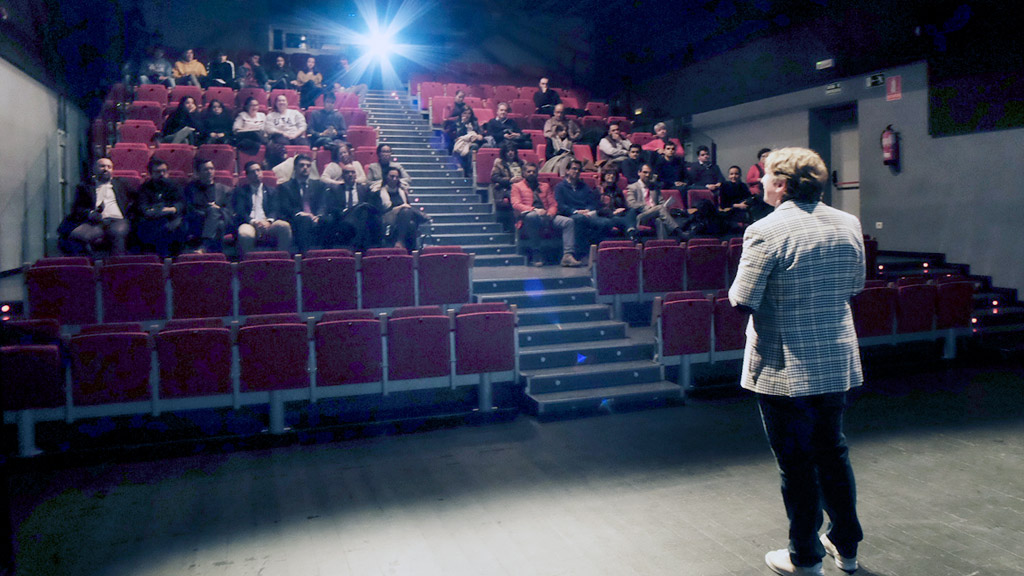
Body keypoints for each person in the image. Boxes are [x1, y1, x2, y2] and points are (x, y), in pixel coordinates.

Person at [728, 147, 865, 576]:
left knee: (797, 463)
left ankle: (804, 556)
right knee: (833, 452)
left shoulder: (766, 229)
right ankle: (847, 546)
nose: (762, 182)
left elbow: (742, 300)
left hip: (785, 364)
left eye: (767, 176)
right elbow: (855, 284)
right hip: (834, 356)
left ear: (783, 183)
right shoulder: (848, 223)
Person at [59, 157, 132, 256]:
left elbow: (136, 199)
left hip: (117, 219)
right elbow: (77, 208)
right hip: (95, 221)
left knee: (116, 233)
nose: (106, 169)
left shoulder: (121, 184)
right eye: (102, 166)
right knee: (72, 236)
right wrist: (90, 213)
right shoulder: (85, 187)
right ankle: (86, 266)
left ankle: (117, 266)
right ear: (94, 169)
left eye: (109, 167)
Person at [510, 163, 578, 267]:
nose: (532, 173)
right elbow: (516, 204)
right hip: (528, 217)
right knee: (532, 216)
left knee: (568, 222)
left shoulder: (545, 186)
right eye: (529, 172)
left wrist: (550, 214)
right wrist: (535, 210)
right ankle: (536, 253)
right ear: (523, 173)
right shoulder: (517, 186)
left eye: (534, 171)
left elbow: (553, 204)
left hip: (547, 215)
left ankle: (568, 255)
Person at [554, 160, 613, 261]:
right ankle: (582, 253)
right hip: (571, 215)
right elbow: (561, 205)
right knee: (579, 219)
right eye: (574, 169)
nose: (576, 171)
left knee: (606, 222)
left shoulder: (584, 186)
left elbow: (592, 202)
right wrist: (576, 211)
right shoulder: (560, 187)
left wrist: (588, 210)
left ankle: (596, 252)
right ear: (567, 171)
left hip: (587, 214)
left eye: (578, 170)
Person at [231, 161, 292, 255]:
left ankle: (282, 259)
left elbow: (275, 209)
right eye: (252, 172)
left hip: (268, 223)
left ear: (262, 172)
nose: (256, 174)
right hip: (249, 223)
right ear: (247, 176)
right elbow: (240, 211)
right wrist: (254, 222)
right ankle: (249, 264)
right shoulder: (240, 191)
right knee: (244, 234)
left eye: (258, 170)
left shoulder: (272, 190)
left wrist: (269, 221)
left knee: (284, 226)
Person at [278, 154, 337, 252]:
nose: (305, 168)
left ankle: (327, 255)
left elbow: (323, 204)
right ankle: (305, 256)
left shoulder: (319, 185)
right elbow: (286, 207)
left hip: (315, 216)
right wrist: (303, 214)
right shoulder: (286, 186)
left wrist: (318, 216)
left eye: (308, 166)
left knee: (328, 220)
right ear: (295, 168)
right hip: (297, 219)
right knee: (304, 220)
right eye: (301, 165)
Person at [134, 157, 186, 257]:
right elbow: (142, 205)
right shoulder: (145, 187)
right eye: (158, 172)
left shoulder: (175, 185)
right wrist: (151, 211)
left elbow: (181, 203)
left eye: (164, 171)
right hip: (152, 218)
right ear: (151, 173)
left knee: (177, 226)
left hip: (171, 217)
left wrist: (171, 209)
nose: (162, 174)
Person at [182, 158, 230, 252]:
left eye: (211, 169)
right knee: (217, 223)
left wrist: (218, 209)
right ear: (198, 173)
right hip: (198, 220)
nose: (209, 172)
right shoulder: (191, 189)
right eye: (206, 169)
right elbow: (188, 208)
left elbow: (229, 211)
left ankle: (204, 247)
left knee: (215, 212)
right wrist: (207, 214)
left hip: (220, 219)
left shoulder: (224, 189)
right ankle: (211, 251)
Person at [379, 167, 429, 252]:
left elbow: (407, 206)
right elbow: (385, 209)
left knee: (411, 223)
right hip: (388, 218)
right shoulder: (380, 192)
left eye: (396, 177)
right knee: (406, 210)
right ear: (386, 177)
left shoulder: (401, 191)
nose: (394, 179)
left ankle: (405, 247)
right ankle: (421, 216)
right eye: (392, 176)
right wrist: (402, 207)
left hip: (403, 219)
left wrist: (404, 206)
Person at [627, 163, 682, 238]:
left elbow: (661, 201)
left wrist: (665, 206)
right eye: (645, 172)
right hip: (641, 215)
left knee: (659, 221)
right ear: (639, 172)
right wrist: (649, 208)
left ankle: (663, 246)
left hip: (656, 214)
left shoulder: (654, 187)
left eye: (650, 173)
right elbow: (631, 204)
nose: (647, 175)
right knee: (659, 208)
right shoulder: (632, 187)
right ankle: (678, 231)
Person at [336, 163, 383, 251]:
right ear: (343, 175)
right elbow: (333, 208)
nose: (350, 175)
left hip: (361, 217)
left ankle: (356, 245)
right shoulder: (336, 189)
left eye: (353, 172)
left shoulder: (365, 189)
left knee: (364, 211)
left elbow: (372, 206)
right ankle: (360, 248)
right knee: (363, 210)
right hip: (344, 217)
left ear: (356, 175)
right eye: (347, 172)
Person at [265, 93, 309, 167]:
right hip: (280, 137)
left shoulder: (295, 113)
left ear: (287, 102)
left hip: (295, 135)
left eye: (283, 100)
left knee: (304, 144)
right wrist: (282, 133)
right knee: (281, 144)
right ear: (275, 103)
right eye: (279, 101)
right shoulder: (271, 115)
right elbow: (269, 128)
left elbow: (303, 125)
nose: (281, 102)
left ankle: (301, 166)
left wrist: (296, 134)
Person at [490, 141, 524, 232]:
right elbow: (494, 177)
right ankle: (515, 223)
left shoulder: (522, 163)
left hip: (522, 187)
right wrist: (510, 180)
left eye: (512, 150)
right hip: (506, 188)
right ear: (504, 152)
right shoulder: (499, 162)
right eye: (508, 151)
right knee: (513, 196)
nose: (510, 152)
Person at [596, 165, 637, 240]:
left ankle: (630, 230)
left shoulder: (618, 190)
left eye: (613, 174)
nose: (611, 176)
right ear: (604, 176)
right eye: (608, 174)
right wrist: (613, 212)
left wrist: (622, 209)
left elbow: (624, 205)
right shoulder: (598, 190)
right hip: (609, 216)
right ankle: (631, 232)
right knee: (618, 219)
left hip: (620, 214)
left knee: (632, 211)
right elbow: (598, 209)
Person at [451, 107, 484, 177]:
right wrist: (463, 124)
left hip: (474, 141)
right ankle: (469, 170)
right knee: (473, 147)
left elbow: (480, 133)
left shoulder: (474, 123)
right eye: (465, 113)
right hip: (462, 142)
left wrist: (479, 136)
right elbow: (458, 135)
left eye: (469, 113)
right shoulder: (457, 122)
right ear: (461, 114)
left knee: (478, 146)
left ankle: (471, 170)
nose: (467, 115)